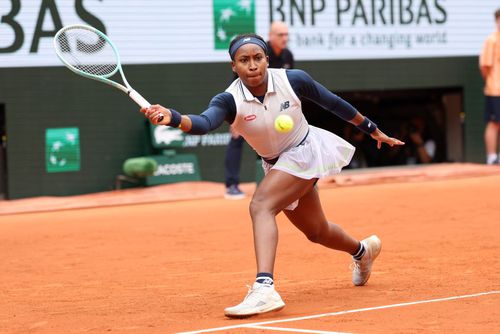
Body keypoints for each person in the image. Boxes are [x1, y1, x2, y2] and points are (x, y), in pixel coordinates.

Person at [141, 34, 404, 318]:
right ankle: (362, 251)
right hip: (276, 164)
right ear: (234, 66)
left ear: (267, 59)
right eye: (244, 60)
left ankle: (264, 286)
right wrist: (174, 117)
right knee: (316, 231)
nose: (252, 65)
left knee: (261, 205)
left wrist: (372, 129)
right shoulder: (229, 100)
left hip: (305, 151)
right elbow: (205, 122)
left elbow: (334, 104)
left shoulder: (294, 80)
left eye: (257, 58)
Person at [224, 21, 295, 199]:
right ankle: (231, 185)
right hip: (246, 102)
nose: (284, 39)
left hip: (274, 104)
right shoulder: (256, 51)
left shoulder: (288, 55)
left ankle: (294, 181)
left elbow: (288, 86)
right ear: (271, 36)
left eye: (286, 35)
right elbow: (238, 82)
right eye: (280, 35)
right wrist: (236, 114)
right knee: (236, 138)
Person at [480, 8, 500, 165]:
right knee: (494, 123)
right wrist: (491, 81)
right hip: (495, 89)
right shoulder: (491, 40)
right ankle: (492, 157)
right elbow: (484, 66)